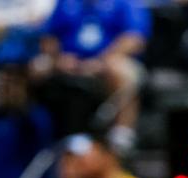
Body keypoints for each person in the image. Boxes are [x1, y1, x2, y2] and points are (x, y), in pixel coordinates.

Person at [29, 0, 149, 147]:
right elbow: (49, 35)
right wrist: (58, 58)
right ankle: (31, 125)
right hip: (69, 61)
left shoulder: (126, 3)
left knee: (124, 72)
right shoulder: (66, 2)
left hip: (107, 61)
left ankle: (121, 134)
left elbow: (134, 39)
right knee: (36, 68)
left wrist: (101, 61)